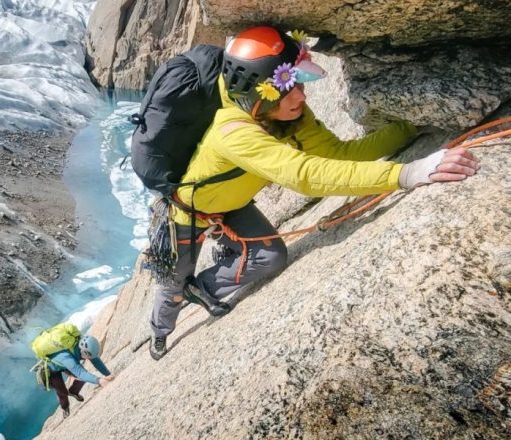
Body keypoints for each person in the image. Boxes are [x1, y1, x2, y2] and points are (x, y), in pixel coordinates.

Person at [149, 25, 480, 360]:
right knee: (170, 287)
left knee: (271, 257)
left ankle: (201, 288)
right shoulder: (233, 132)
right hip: (187, 215)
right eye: (290, 88)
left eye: (300, 85)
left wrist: (412, 125)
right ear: (261, 93)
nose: (302, 96)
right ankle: (160, 332)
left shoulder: (287, 115)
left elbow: (339, 155)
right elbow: (304, 175)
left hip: (232, 205)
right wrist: (407, 174)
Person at [47, 334, 114, 417]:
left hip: (65, 364)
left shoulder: (83, 348)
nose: (88, 358)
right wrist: (99, 381)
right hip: (53, 369)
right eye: (87, 356)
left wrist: (108, 374)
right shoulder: (67, 357)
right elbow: (80, 373)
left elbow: (95, 360)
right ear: (83, 352)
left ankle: (73, 392)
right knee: (62, 391)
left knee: (82, 377)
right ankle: (65, 408)